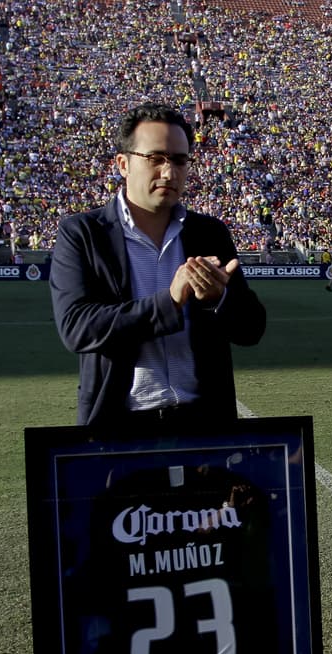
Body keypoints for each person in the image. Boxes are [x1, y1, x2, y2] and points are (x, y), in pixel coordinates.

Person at [51, 102, 266, 427]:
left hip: (205, 426)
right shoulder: (83, 234)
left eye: (179, 160)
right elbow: (78, 328)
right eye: (155, 159)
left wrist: (218, 299)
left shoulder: (208, 233)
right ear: (123, 164)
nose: (169, 172)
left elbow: (251, 329)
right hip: (119, 429)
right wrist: (171, 301)